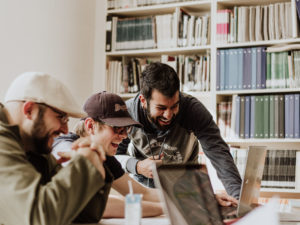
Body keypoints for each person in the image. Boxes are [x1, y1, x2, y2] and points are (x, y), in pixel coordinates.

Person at [116, 62, 242, 199]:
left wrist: (238, 200)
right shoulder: (127, 113)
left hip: (186, 191)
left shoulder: (193, 110)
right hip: (143, 192)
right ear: (143, 101)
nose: (168, 115)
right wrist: (138, 166)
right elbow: (114, 157)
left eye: (174, 106)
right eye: (161, 108)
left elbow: (219, 155)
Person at [0, 72, 110, 225]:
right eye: (61, 118)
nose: (66, 130)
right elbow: (39, 218)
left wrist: (94, 160)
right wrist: (85, 164)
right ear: (29, 110)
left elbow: (86, 214)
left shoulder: (34, 147)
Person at [52, 91, 163, 218]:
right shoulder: (64, 147)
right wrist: (164, 208)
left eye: (126, 129)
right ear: (90, 126)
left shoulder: (104, 155)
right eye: (117, 128)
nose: (124, 136)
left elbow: (142, 193)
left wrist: (181, 198)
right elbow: (96, 204)